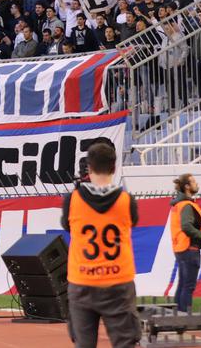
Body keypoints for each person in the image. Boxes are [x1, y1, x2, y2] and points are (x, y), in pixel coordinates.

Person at [61, 141, 140, 347]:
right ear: (114, 167)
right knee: (125, 342)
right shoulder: (126, 200)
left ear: (89, 167)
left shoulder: (72, 200)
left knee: (83, 344)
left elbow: (68, 227)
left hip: (82, 281)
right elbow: (133, 222)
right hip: (118, 282)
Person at [170, 172, 201, 313]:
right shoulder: (186, 205)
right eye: (193, 182)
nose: (196, 184)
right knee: (188, 286)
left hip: (181, 248)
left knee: (182, 284)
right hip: (189, 248)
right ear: (187, 186)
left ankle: (177, 316)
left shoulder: (179, 204)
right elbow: (186, 226)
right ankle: (185, 317)